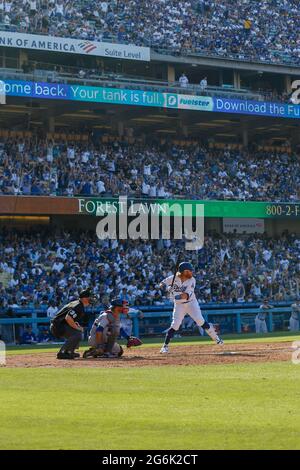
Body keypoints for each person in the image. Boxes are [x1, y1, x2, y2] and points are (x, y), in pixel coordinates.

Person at [159, 262, 223, 353]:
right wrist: (165, 287)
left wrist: (173, 295)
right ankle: (165, 346)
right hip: (179, 305)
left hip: (191, 303)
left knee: (200, 320)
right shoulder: (173, 278)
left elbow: (185, 295)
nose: (190, 273)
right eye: (188, 271)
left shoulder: (192, 280)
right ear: (182, 272)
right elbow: (161, 284)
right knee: (175, 324)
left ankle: (217, 339)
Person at [50, 288, 94, 360]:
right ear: (85, 298)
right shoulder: (79, 306)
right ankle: (62, 352)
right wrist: (77, 327)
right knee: (78, 333)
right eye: (89, 297)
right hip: (58, 326)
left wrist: (76, 324)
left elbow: (68, 318)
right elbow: (68, 318)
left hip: (59, 324)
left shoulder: (77, 303)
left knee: (78, 332)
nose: (91, 299)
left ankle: (70, 352)